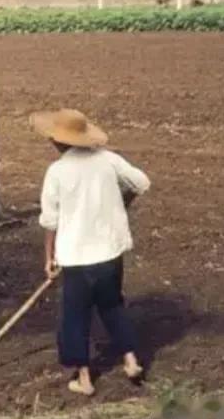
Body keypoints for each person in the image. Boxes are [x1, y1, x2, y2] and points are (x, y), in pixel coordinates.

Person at [29, 108, 150, 396]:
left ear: (59, 141)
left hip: (76, 257)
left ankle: (84, 379)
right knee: (112, 305)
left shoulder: (57, 171)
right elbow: (141, 183)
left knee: (75, 315)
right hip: (109, 252)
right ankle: (131, 361)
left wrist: (49, 257)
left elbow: (50, 220)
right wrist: (123, 203)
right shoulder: (108, 160)